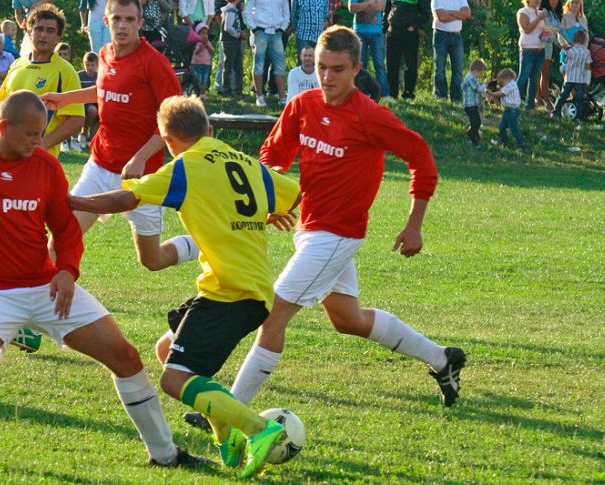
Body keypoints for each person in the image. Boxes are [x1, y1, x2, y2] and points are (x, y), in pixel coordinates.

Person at [180, 28, 465, 437]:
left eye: (337, 69)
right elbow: (272, 157)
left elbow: (421, 156)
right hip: (310, 229)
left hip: (338, 235)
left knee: (271, 315)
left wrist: (414, 223)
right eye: (320, 68)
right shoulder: (302, 105)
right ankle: (443, 359)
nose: (327, 77)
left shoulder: (370, 116)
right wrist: (272, 196)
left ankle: (229, 410)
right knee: (347, 318)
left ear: (355, 69)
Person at [0, 90, 205, 468]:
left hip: (45, 286)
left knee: (126, 357)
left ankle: (165, 455)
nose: (40, 141)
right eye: (32, 134)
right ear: (3, 126)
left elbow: (65, 228)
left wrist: (66, 270)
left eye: (42, 133)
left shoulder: (45, 166)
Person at [69, 94, 301, 478]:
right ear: (208, 129)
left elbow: (126, 196)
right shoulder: (245, 162)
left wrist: (70, 200)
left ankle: (260, 429)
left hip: (233, 293)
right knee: (166, 349)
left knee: (174, 379)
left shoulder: (185, 167)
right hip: (238, 287)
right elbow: (293, 192)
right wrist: (273, 211)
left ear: (169, 141)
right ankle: (224, 430)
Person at [41, 0, 199, 279]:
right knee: (61, 239)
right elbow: (104, 92)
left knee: (152, 259)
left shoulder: (154, 63)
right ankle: (45, 308)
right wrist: (63, 99)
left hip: (141, 177)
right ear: (106, 21)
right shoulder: (104, 54)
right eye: (117, 19)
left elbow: (175, 121)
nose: (122, 26)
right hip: (99, 166)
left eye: (129, 20)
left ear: (140, 24)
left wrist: (140, 158)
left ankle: (195, 246)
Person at [0, 4, 85, 158]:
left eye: (50, 31)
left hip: (38, 160)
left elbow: (77, 119)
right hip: (4, 154)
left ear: (58, 37)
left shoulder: (65, 71)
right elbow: (1, 108)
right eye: (39, 29)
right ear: (30, 32)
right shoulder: (17, 64)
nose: (43, 35)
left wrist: (42, 145)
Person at [244, 0, 290, 106]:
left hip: (276, 33)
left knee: (280, 66)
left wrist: (282, 28)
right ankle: (259, 96)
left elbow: (286, 12)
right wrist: (254, 28)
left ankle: (283, 98)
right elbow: (247, 11)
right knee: (259, 65)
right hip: (260, 32)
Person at [383, 0, 430, 100]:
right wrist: (384, 29)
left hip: (410, 34)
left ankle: (408, 94)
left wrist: (414, 26)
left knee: (411, 65)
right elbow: (387, 9)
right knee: (391, 64)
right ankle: (392, 94)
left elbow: (425, 14)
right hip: (393, 31)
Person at [431, 0, 470, 102]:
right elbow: (442, 17)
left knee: (458, 69)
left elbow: (467, 14)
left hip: (457, 35)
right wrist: (458, 15)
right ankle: (440, 96)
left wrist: (449, 12)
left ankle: (456, 98)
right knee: (439, 68)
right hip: (440, 35)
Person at [350, 0, 389, 98]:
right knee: (360, 66)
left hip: (376, 33)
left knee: (379, 64)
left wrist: (361, 6)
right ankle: (361, 94)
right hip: (359, 32)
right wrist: (369, 3)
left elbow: (380, 7)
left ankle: (384, 94)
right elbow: (351, 8)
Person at [551, 29, 591, 120]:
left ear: (574, 39)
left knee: (563, 95)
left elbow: (564, 60)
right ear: (584, 40)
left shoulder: (570, 50)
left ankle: (555, 112)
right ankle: (579, 117)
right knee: (579, 99)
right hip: (580, 79)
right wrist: (588, 80)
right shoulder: (586, 52)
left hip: (569, 78)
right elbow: (588, 67)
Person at [516, 0, 547, 114]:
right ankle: (513, 104)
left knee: (534, 80)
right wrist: (539, 18)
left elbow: (541, 31)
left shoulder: (540, 13)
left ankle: (530, 106)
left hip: (540, 50)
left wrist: (548, 34)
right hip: (528, 50)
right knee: (523, 78)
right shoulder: (522, 12)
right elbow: (527, 29)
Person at [536, 0, 564, 112]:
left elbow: (560, 30)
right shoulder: (543, 11)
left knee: (545, 74)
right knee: (538, 74)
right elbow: (545, 31)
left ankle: (543, 100)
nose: (554, 1)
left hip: (549, 45)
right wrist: (558, 43)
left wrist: (568, 42)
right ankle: (540, 100)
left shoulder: (554, 13)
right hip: (540, 44)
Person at [487, 68, 524, 148]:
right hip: (508, 110)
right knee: (502, 126)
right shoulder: (508, 85)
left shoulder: (511, 84)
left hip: (512, 110)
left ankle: (520, 143)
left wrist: (491, 93)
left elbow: (501, 94)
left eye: (502, 82)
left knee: (513, 128)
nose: (502, 84)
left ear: (507, 78)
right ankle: (504, 141)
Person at [220, 0, 245, 97]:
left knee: (237, 66)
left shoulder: (233, 9)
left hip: (234, 41)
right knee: (229, 66)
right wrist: (238, 34)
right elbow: (228, 27)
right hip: (230, 41)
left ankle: (237, 89)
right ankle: (227, 89)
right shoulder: (230, 10)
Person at [76, 51, 99, 149]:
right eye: (87, 65)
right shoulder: (79, 76)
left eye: (92, 65)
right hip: (83, 103)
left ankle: (92, 138)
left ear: (97, 65)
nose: (89, 67)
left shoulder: (100, 76)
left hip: (97, 102)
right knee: (92, 110)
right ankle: (84, 133)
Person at [462, 58, 487, 147]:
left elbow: (476, 94)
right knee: (476, 122)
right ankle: (473, 138)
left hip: (473, 105)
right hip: (469, 105)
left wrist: (479, 104)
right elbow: (478, 89)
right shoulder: (470, 78)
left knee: (476, 122)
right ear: (476, 70)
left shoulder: (474, 78)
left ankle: (474, 136)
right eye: (481, 73)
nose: (481, 75)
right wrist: (486, 84)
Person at [190, 22, 213, 99]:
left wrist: (207, 45)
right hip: (197, 63)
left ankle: (203, 93)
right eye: (202, 33)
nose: (204, 35)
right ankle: (198, 93)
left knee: (205, 79)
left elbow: (211, 51)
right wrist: (203, 45)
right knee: (198, 79)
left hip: (206, 64)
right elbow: (196, 52)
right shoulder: (197, 42)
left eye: (206, 33)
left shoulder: (208, 42)